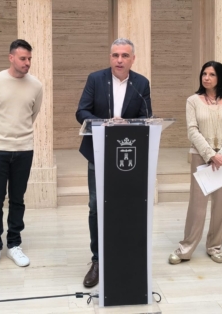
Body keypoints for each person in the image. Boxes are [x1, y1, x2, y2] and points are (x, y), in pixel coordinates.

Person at [75, 38, 151, 288]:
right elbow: (81, 112)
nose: (119, 60)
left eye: (125, 55)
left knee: (126, 207)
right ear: (110, 57)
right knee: (97, 206)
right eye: (115, 55)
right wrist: (105, 123)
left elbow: (147, 117)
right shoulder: (95, 79)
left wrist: (126, 125)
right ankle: (97, 260)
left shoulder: (141, 84)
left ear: (133, 59)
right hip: (98, 152)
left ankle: (123, 257)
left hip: (129, 157)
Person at [0, 39, 43, 273]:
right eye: (23, 58)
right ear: (11, 58)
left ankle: (14, 244)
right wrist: (1, 135)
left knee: (18, 199)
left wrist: (18, 136)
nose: (27, 63)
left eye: (29, 59)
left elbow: (32, 114)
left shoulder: (36, 85)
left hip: (24, 149)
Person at [168, 61, 222, 265]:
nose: (206, 78)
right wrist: (210, 154)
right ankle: (186, 248)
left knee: (221, 205)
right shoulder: (193, 100)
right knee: (197, 205)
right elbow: (192, 130)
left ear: (220, 78)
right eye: (204, 74)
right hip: (201, 156)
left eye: (211, 74)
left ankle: (214, 247)